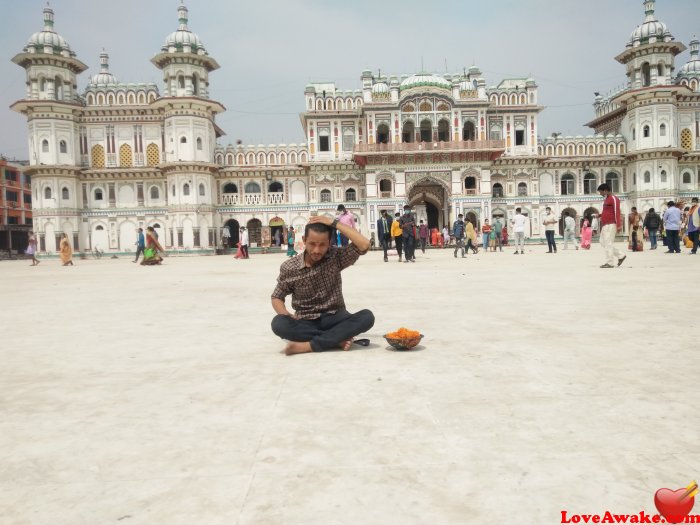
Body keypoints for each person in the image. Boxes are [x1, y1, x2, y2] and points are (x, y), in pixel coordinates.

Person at [270, 215, 374, 355]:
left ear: (329, 243)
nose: (317, 250)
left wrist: (334, 222)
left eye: (322, 245)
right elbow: (277, 296)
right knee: (279, 323)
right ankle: (336, 338)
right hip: (306, 321)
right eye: (312, 244)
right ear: (304, 241)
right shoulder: (290, 267)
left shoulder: (335, 257)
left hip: (337, 317)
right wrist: (287, 315)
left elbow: (364, 244)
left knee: (367, 317)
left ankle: (309, 345)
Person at [597, 183, 625, 268]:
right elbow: (607, 212)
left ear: (605, 190)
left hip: (611, 224)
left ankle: (609, 263)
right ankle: (621, 255)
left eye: (601, 192)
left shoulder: (613, 198)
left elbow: (617, 212)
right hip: (605, 224)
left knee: (608, 243)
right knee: (602, 242)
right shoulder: (607, 199)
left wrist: (619, 225)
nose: (600, 194)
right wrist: (599, 215)